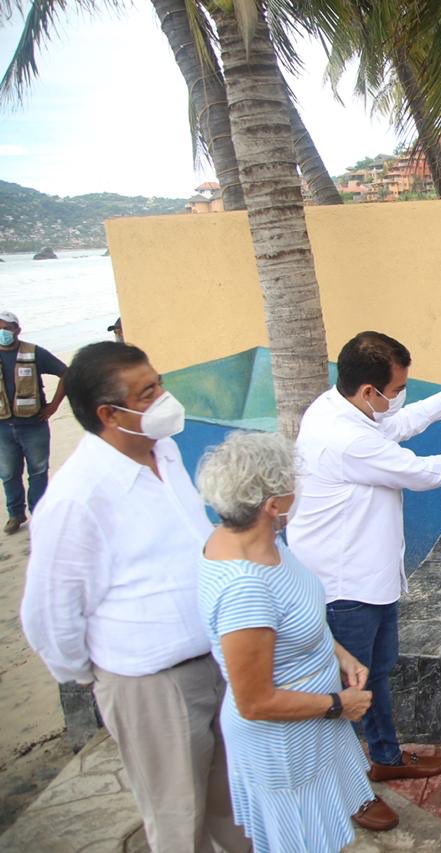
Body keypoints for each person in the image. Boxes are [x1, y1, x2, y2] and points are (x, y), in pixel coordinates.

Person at [20, 342, 249, 853]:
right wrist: (100, 675)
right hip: (151, 686)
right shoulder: (78, 497)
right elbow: (49, 616)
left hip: (216, 662)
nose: (164, 397)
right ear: (109, 414)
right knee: (177, 817)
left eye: (159, 382)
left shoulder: (163, 452)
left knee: (236, 807)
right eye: (148, 393)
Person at [288, 331, 441, 799]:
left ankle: (384, 758)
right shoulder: (342, 437)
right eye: (397, 389)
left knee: (376, 675)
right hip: (344, 588)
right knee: (347, 690)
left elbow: (393, 425)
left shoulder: (342, 407)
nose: (399, 397)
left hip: (369, 577)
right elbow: (415, 471)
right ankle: (347, 793)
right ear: (368, 391)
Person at [196, 431, 397, 846]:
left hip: (311, 731)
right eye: (292, 483)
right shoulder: (244, 588)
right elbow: (254, 701)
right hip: (285, 747)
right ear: (272, 506)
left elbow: (294, 614)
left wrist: (340, 654)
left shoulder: (261, 541)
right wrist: (340, 704)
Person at [0, 310, 67, 534]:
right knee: (8, 473)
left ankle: (39, 513)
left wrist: (54, 406)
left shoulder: (34, 352)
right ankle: (15, 514)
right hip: (2, 427)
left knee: (38, 471)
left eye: (6, 328)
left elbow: (66, 373)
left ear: (17, 330)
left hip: (33, 424)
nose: (2, 332)